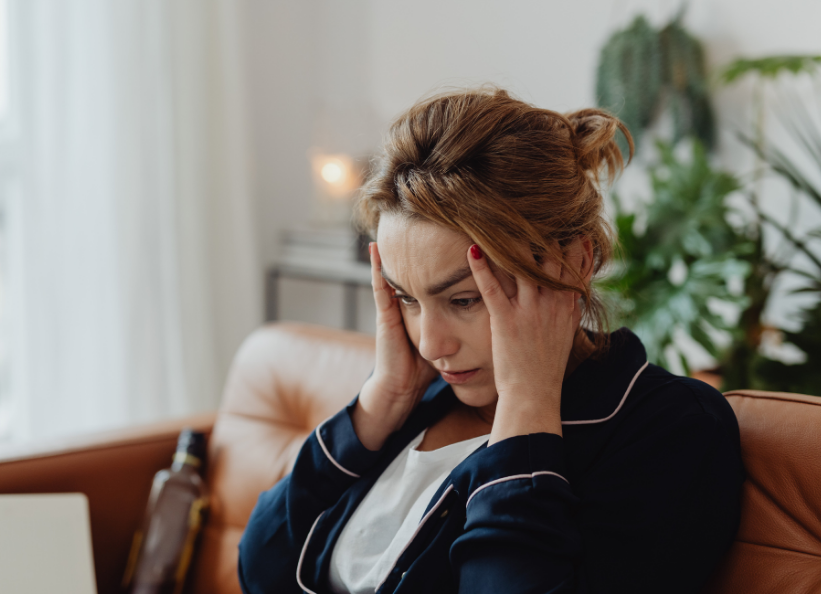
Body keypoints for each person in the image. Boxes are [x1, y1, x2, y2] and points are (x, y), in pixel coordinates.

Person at [237, 87, 744, 594]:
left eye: (463, 300)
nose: (431, 345)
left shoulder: (668, 429)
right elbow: (259, 567)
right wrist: (379, 403)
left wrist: (528, 405)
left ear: (575, 262)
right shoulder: (421, 400)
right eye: (406, 298)